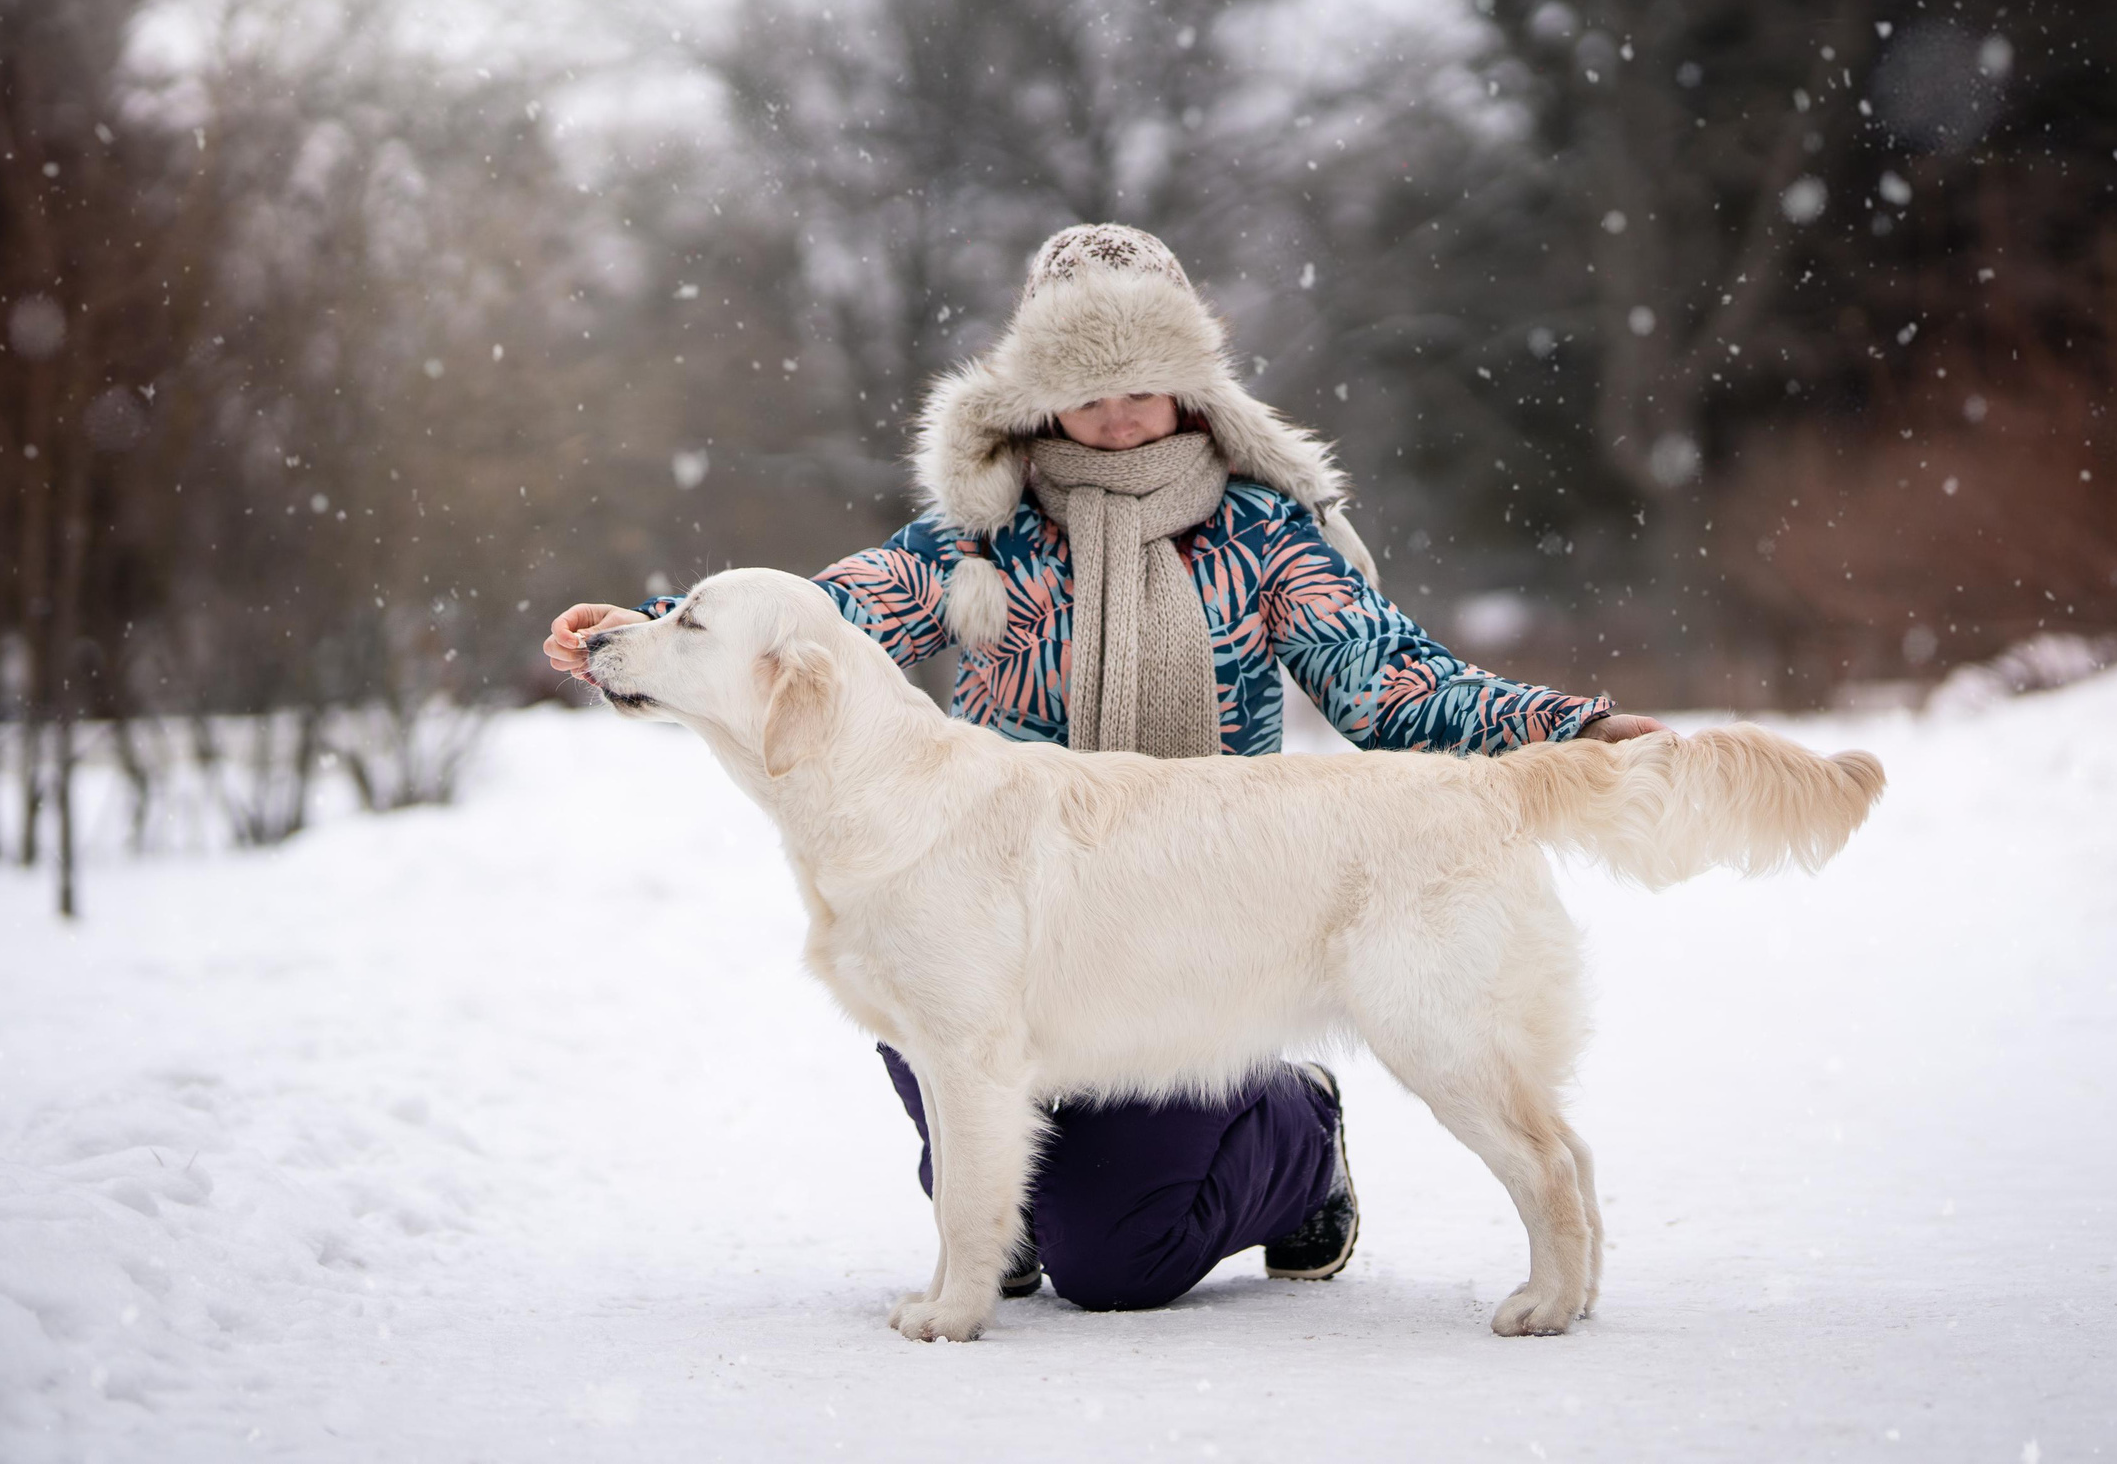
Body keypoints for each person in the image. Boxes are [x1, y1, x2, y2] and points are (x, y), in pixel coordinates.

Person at [543, 223, 1665, 1313]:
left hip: (1197, 912)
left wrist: (1572, 727)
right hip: (998, 899)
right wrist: (646, 643)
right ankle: (1021, 1206)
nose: (1118, 414)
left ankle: (1297, 1137)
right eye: (1086, 389)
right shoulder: (976, 536)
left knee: (1119, 1259)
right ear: (1038, 397)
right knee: (974, 1100)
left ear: (1191, 387)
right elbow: (809, 623)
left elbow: (1392, 683)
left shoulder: (1265, 535)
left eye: (1143, 384)